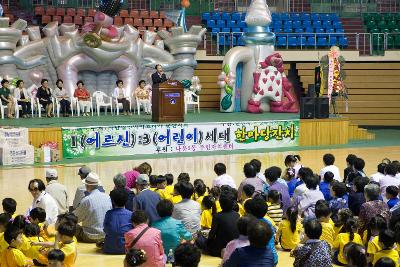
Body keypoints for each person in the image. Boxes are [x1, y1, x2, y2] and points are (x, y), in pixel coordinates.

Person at [73, 172, 112, 243]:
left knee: (70, 225)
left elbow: (75, 218)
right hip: (105, 235)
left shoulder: (86, 200)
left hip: (89, 236)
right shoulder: (107, 197)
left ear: (88, 185)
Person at [244, 198, 277, 264]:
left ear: (250, 211)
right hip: (273, 258)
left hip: (260, 259)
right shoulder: (268, 223)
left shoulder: (250, 224)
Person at [207, 192, 240, 257]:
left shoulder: (217, 216)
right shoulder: (237, 215)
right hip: (235, 247)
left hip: (220, 249)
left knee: (200, 240)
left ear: (220, 204)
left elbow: (212, 235)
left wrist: (207, 241)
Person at [103, 189, 133, 254]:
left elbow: (105, 229)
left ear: (112, 201)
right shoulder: (131, 214)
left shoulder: (108, 213)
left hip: (109, 248)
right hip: (126, 248)